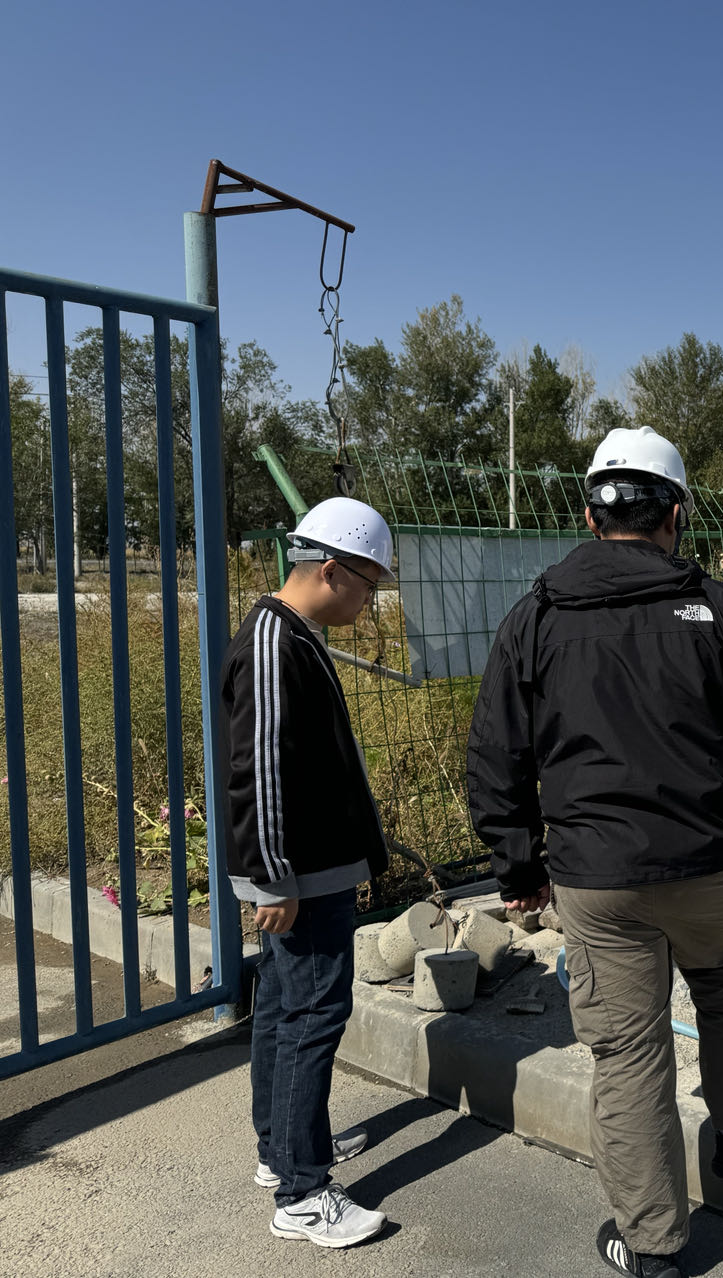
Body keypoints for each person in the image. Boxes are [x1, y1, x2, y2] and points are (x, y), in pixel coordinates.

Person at [466, 426, 723, 1278]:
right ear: (676, 514)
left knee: (627, 1055)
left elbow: (497, 754)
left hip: (597, 878)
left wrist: (518, 866)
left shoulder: (537, 616)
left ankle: (653, 1246)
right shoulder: (722, 611)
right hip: (714, 864)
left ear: (590, 516)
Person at [222, 496, 395, 1248]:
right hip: (301, 874)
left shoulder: (291, 632)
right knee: (310, 1015)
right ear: (331, 570)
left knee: (284, 1006)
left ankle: (284, 1148)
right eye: (369, 586)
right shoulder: (273, 641)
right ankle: (302, 1191)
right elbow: (257, 767)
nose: (370, 603)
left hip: (310, 868)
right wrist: (274, 876)